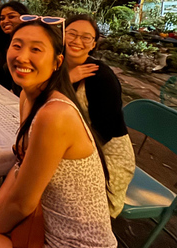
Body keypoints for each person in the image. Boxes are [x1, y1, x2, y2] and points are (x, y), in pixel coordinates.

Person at [0, 18, 116, 248]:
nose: (22, 57)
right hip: (43, 225)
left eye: (36, 49)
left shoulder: (55, 114)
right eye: (17, 45)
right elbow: (20, 167)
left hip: (74, 243)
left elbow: (22, 204)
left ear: (57, 62)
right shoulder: (28, 97)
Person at [65, 14, 135, 217]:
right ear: (62, 35)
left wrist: (69, 154)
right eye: (72, 34)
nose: (77, 41)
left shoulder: (101, 77)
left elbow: (105, 129)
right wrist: (67, 79)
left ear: (93, 44)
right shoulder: (55, 65)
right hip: (70, 141)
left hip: (104, 152)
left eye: (86, 37)